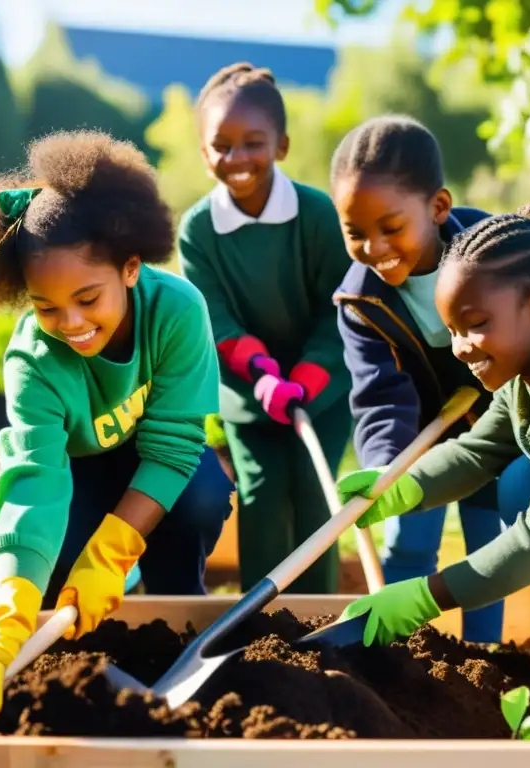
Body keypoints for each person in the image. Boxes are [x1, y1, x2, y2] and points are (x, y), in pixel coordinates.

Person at [329, 115, 530, 642]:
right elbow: (382, 399)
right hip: (436, 434)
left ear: (438, 207)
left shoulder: (510, 253)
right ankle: (394, 649)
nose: (374, 246)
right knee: (414, 538)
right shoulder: (361, 302)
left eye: (390, 227)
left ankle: (485, 652)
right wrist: (391, 475)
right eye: (355, 233)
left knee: (516, 540)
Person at [0, 129, 234, 716]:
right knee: (56, 587)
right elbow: (34, 478)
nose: (71, 322)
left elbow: (175, 445)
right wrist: (10, 606)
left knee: (204, 492)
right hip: (76, 476)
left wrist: (114, 551)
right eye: (47, 307)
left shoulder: (176, 310)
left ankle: (179, 615)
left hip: (153, 461)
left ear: (130, 269)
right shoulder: (33, 361)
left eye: (87, 297)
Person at [177, 63, 354, 594]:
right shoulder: (199, 230)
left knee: (315, 495)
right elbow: (216, 316)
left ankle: (316, 615)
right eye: (221, 145)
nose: (237, 158)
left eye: (253, 142)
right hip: (248, 397)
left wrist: (305, 378)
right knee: (263, 493)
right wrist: (260, 374)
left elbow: (338, 311)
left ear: (281, 145)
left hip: (321, 390)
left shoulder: (319, 216)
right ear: (204, 151)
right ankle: (259, 622)